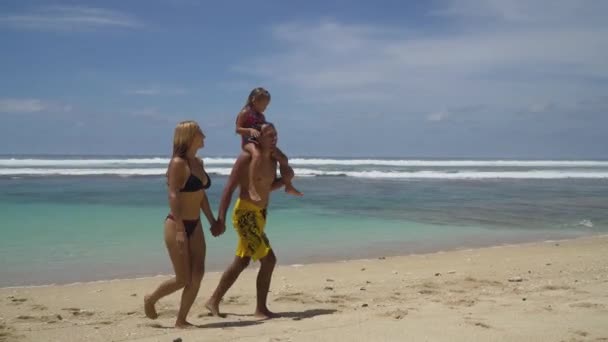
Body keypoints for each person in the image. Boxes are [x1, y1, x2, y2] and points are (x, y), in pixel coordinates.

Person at [206, 122, 295, 319]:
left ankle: (213, 301)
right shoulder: (246, 159)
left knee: (241, 262)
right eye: (269, 135)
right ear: (258, 137)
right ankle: (260, 309)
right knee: (269, 260)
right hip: (245, 215)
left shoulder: (273, 160)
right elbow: (229, 188)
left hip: (261, 214)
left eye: (276, 135)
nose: (274, 138)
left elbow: (266, 188)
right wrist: (220, 219)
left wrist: (284, 181)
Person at [144, 120, 216, 328]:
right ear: (190, 136)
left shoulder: (198, 163)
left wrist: (212, 220)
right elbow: (173, 194)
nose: (204, 136)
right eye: (200, 132)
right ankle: (151, 299)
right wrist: (179, 228)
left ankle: (181, 319)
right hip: (178, 224)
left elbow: (200, 195)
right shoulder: (178, 163)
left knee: (198, 273)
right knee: (182, 278)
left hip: (197, 224)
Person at [235, 87, 302, 201]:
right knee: (256, 155)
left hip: (259, 141)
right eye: (263, 105)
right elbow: (237, 129)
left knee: (282, 157)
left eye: (267, 105)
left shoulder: (261, 116)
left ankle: (288, 185)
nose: (265, 108)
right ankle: (251, 187)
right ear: (254, 100)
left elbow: (265, 129)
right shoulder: (245, 112)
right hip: (248, 142)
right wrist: (249, 131)